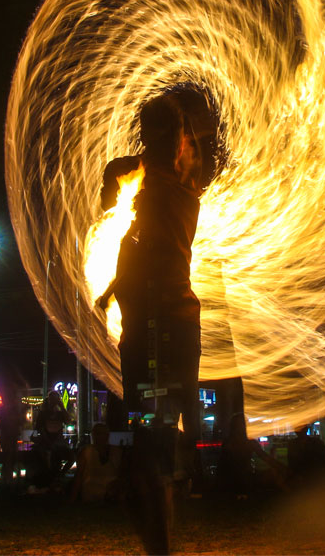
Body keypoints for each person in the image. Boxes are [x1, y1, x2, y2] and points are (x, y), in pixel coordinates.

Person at [98, 92, 215, 451]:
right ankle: (177, 483)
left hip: (155, 317)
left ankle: (165, 482)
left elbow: (138, 244)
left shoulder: (155, 189)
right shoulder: (186, 185)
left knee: (149, 422)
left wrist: (112, 289)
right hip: (175, 316)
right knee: (166, 419)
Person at [70, 423, 122, 502]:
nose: (98, 437)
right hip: (92, 490)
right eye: (96, 434)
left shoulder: (116, 451)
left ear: (107, 436)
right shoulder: (86, 452)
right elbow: (79, 475)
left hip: (111, 489)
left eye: (101, 434)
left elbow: (121, 472)